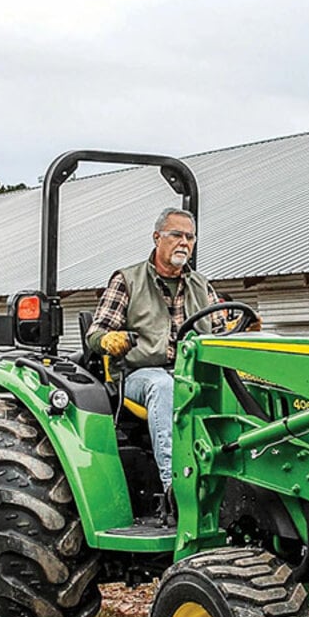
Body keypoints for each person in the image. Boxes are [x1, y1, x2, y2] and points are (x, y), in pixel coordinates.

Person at [86, 207, 225, 521]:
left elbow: (220, 332)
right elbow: (97, 332)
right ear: (157, 237)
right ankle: (176, 489)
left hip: (191, 373)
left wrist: (244, 332)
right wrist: (108, 340)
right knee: (164, 386)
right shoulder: (128, 280)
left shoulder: (201, 285)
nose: (184, 243)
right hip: (140, 376)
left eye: (190, 237)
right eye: (176, 235)